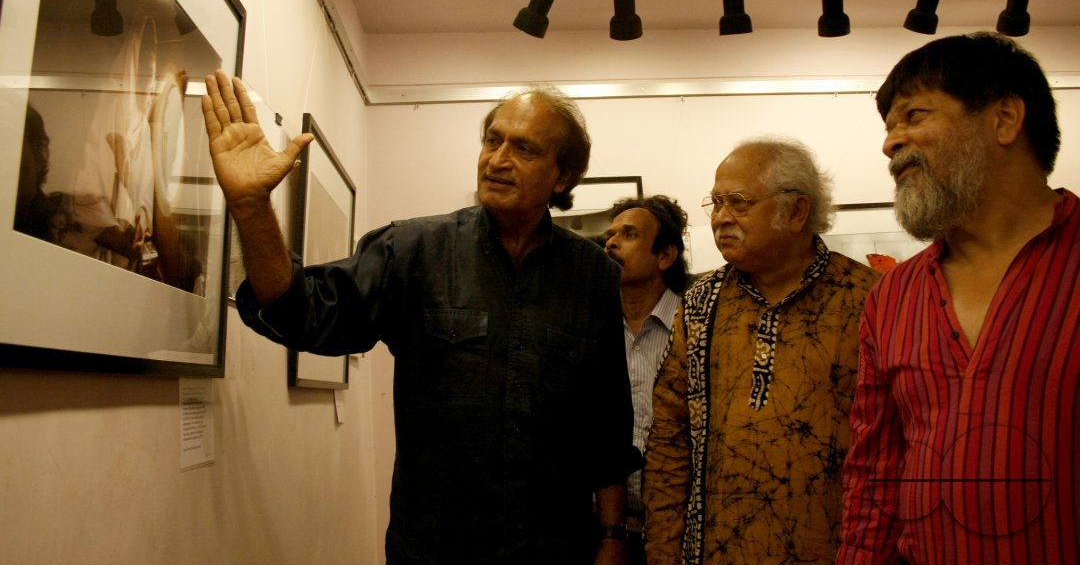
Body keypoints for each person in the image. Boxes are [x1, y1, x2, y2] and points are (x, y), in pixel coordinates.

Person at [200, 70, 638, 565]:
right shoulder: (412, 250)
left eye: (525, 149)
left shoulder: (595, 276)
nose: (497, 160)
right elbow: (302, 313)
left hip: (556, 547)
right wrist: (252, 205)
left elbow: (606, 423)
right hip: (434, 547)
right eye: (492, 141)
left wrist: (612, 535)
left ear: (563, 175)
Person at [838, 32, 1080, 563]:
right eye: (888, 126)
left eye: (913, 115)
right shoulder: (893, 297)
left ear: (1004, 119)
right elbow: (875, 478)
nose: (890, 143)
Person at [644, 137, 879, 564]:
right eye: (715, 203)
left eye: (738, 202)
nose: (721, 219)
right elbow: (668, 441)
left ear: (796, 211)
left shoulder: (867, 300)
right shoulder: (701, 302)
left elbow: (891, 448)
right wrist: (662, 552)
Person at [603, 194, 690, 565]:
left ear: (665, 256)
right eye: (610, 234)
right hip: (607, 529)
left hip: (679, 529)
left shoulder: (694, 327)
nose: (612, 242)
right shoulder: (595, 330)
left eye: (629, 234)